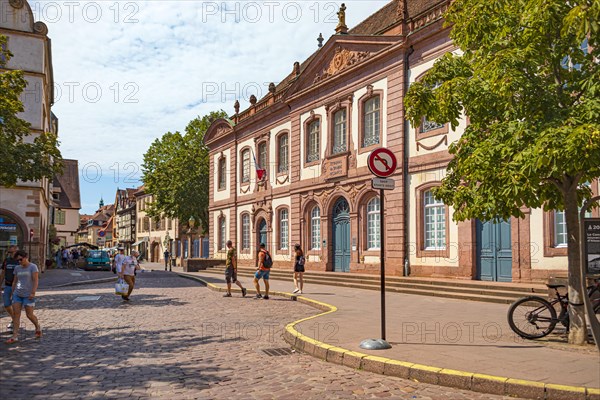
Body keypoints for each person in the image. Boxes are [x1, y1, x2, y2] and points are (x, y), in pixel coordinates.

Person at [5, 250, 41, 344]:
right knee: (16, 315)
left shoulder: (33, 267)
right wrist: (12, 293)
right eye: (18, 260)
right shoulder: (17, 268)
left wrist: (33, 292)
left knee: (29, 315)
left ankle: (37, 326)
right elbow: (15, 281)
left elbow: (36, 281)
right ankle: (15, 336)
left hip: (28, 295)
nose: (19, 262)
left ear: (26, 257)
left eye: (21, 259)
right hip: (17, 294)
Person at [1, 245, 19, 333]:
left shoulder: (20, 261)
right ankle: (14, 319)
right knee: (7, 305)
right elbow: (3, 273)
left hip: (18, 287)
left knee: (15, 306)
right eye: (9, 252)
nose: (11, 254)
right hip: (7, 286)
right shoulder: (6, 261)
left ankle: (14, 323)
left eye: (12, 252)